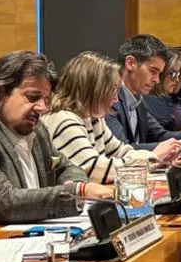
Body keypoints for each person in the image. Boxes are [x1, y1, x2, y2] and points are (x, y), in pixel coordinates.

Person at [0, 52, 113, 224]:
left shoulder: (36, 128)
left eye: (46, 99)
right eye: (33, 97)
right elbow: (1, 202)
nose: (42, 107)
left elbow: (66, 167)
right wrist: (78, 192)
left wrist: (79, 186)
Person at [105, 35, 181, 157]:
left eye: (159, 73)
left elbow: (160, 134)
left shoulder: (136, 97)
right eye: (153, 71)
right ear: (130, 63)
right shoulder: (109, 100)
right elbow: (123, 150)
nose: (157, 80)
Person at [42, 53, 142, 184]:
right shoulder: (64, 120)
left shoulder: (93, 118)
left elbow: (121, 151)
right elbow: (97, 171)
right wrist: (142, 162)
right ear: (93, 89)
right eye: (112, 90)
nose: (116, 99)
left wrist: (145, 159)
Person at [143, 52, 181, 133]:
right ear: (161, 73)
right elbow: (161, 135)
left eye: (178, 74)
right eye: (173, 74)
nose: (176, 80)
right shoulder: (149, 103)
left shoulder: (172, 97)